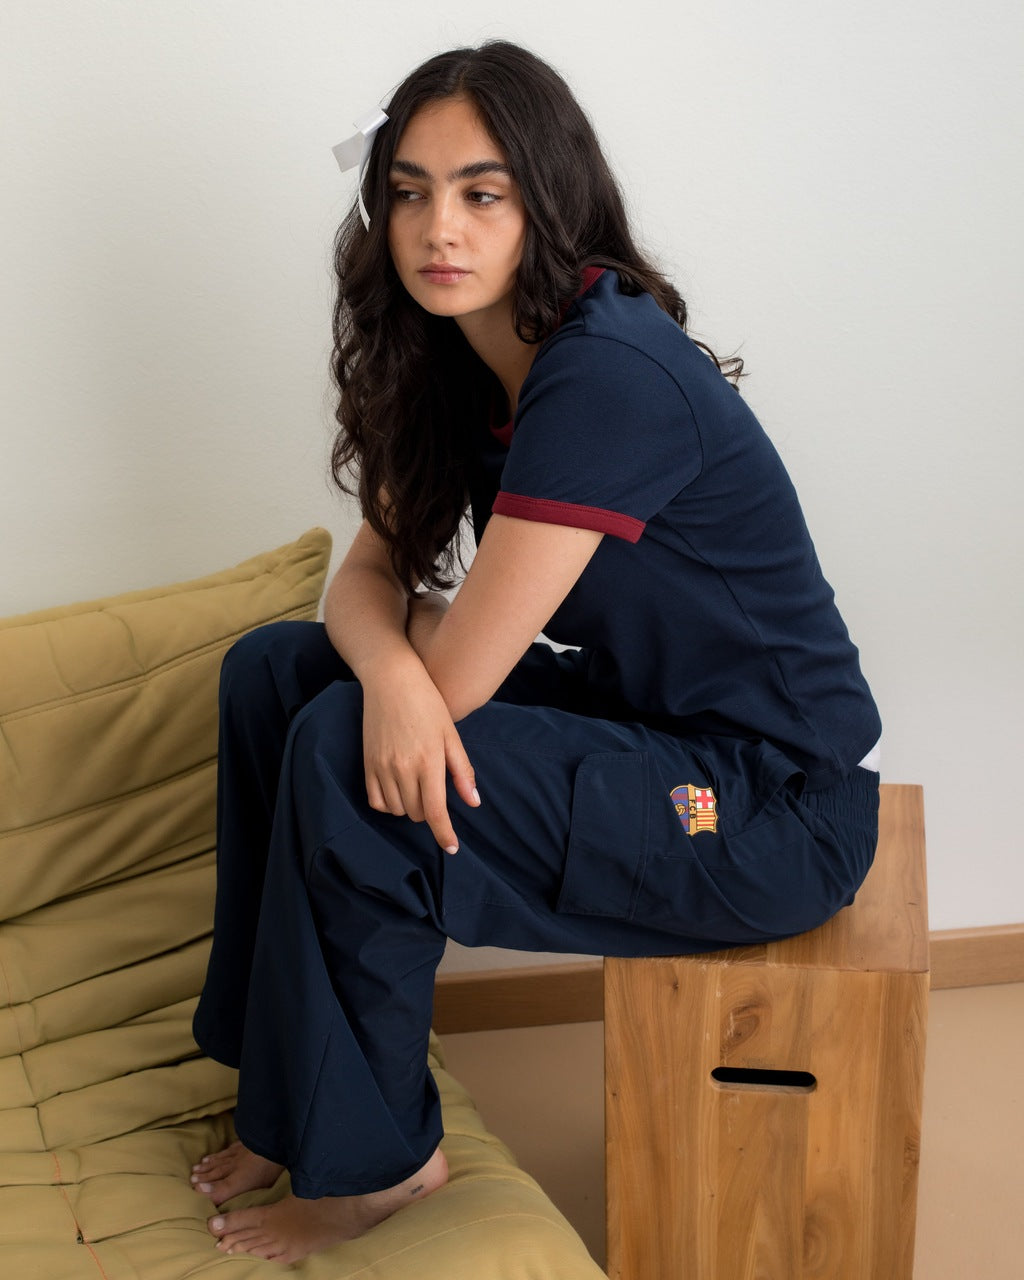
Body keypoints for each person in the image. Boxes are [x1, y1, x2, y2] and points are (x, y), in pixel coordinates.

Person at [189, 40, 881, 1263]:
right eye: (408, 190)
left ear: (542, 198)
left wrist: (406, 677)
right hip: (649, 728)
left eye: (479, 191)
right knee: (274, 675)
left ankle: (379, 1165)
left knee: (353, 749)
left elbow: (445, 685)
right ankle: (278, 1095)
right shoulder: (463, 356)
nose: (436, 227)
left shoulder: (603, 372)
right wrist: (399, 670)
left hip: (771, 804)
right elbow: (359, 582)